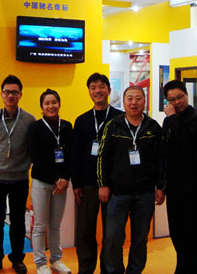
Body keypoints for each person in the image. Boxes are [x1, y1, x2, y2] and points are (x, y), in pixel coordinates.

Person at [97, 86, 165, 274]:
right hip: (117, 193)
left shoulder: (153, 127)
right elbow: (102, 156)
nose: (134, 102)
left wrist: (161, 186)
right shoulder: (113, 125)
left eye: (138, 98)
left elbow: (161, 159)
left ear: (144, 101)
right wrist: (103, 184)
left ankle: (135, 271)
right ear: (124, 102)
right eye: (130, 98)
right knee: (112, 238)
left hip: (145, 193)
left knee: (140, 239)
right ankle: (114, 271)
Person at [0, 75, 35, 274]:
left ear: (20, 95)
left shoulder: (29, 120)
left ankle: (17, 259)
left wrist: (22, 165)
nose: (10, 95)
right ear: (1, 94)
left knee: (18, 221)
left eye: (14, 92)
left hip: (19, 179)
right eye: (7, 92)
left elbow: (32, 148)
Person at [71, 73, 122, 274]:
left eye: (101, 86)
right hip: (87, 184)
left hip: (113, 184)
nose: (97, 91)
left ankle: (109, 269)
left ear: (109, 90)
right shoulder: (82, 120)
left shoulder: (119, 119)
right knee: (85, 231)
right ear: (89, 92)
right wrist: (76, 184)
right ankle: (85, 269)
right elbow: (75, 155)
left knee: (112, 232)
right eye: (93, 87)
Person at [163, 80, 197, 274]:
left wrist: (172, 118)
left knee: (191, 232)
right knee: (176, 231)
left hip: (190, 185)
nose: (176, 102)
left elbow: (186, 143)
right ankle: (182, 267)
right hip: (172, 185)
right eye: (171, 99)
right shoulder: (168, 121)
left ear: (187, 95)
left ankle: (194, 269)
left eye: (179, 97)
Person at [28, 89, 73, 274]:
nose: (51, 106)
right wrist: (56, 178)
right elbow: (36, 157)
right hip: (42, 183)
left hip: (61, 185)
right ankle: (40, 263)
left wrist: (65, 179)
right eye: (47, 103)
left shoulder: (67, 126)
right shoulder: (35, 128)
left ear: (59, 104)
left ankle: (56, 260)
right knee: (40, 225)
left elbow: (72, 155)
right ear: (42, 107)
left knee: (55, 225)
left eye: (54, 102)